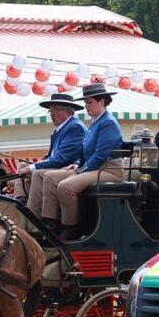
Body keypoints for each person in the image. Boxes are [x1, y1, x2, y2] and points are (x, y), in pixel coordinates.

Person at [41, 83, 125, 241]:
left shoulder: (108, 123)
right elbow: (86, 151)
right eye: (85, 102)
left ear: (102, 101)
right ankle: (50, 223)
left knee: (66, 186)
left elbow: (100, 155)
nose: (86, 106)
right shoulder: (95, 122)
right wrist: (79, 164)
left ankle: (72, 227)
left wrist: (81, 170)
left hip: (108, 170)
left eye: (89, 102)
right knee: (51, 177)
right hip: (94, 168)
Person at [20, 93, 85, 217]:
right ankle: (20, 200)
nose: (51, 114)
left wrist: (32, 167)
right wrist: (31, 166)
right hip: (58, 165)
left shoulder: (74, 127)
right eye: (50, 111)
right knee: (22, 165)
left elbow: (61, 159)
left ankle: (33, 216)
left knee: (37, 172)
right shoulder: (61, 128)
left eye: (55, 109)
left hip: (67, 168)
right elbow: (52, 156)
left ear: (68, 111)